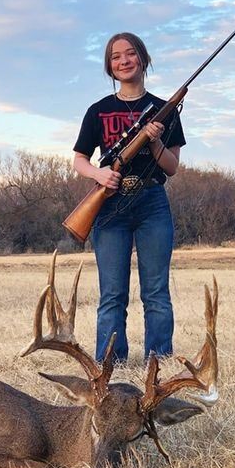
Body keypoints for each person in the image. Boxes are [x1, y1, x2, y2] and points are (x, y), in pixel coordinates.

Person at [72, 32, 185, 363]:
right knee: (112, 295)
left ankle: (158, 364)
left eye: (131, 53)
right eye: (116, 56)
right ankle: (110, 367)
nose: (124, 61)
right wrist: (99, 174)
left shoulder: (165, 110)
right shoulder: (98, 111)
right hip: (110, 205)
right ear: (109, 66)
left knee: (156, 293)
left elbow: (172, 167)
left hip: (152, 203)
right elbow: (79, 159)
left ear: (143, 58)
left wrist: (153, 140)